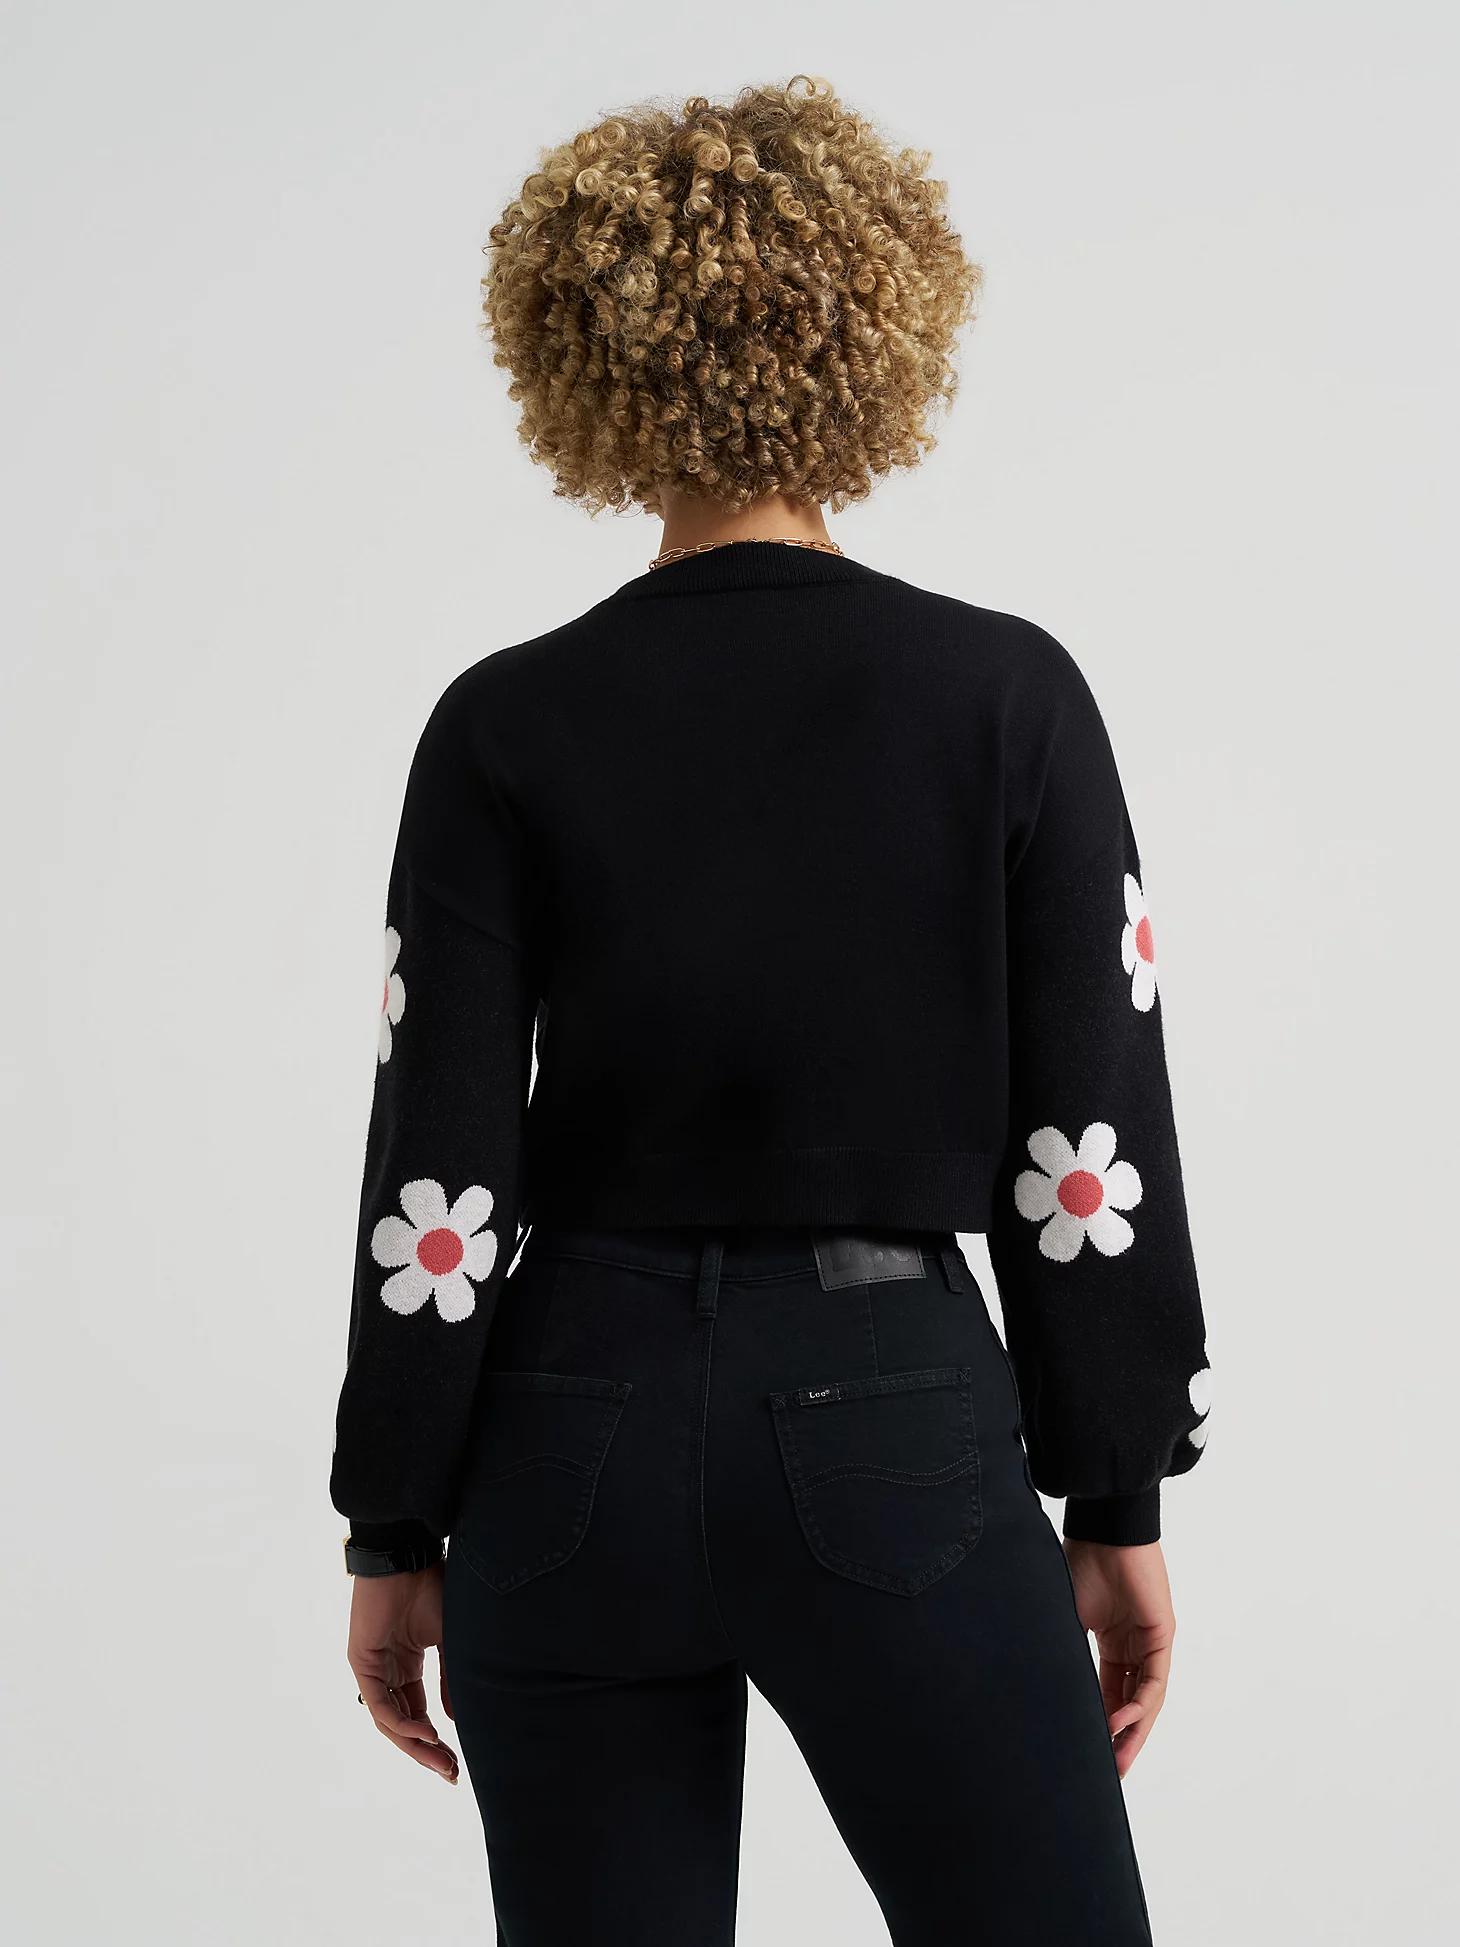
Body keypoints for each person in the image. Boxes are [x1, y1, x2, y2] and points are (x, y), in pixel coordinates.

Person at [329, 76, 1211, 1946]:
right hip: (895, 1412)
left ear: (582, 355)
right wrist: (1116, 1493)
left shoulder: (502, 721)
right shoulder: (1007, 698)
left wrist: (393, 1524)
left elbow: (439, 1174)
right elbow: (1089, 1139)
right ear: (877, 335)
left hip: (564, 1430)